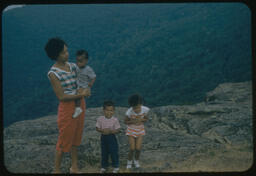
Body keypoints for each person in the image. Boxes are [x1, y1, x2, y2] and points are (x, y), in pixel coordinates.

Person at [45, 37, 90, 174]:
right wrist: (80, 94)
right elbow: (62, 96)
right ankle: (56, 170)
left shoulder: (73, 66)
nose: (67, 54)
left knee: (77, 135)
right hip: (67, 107)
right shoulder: (53, 73)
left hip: (80, 103)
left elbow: (82, 81)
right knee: (65, 138)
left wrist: (85, 89)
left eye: (67, 50)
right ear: (56, 55)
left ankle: (74, 167)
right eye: (64, 52)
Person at [124, 94, 150, 169]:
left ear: (141, 104)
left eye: (138, 107)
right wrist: (132, 121)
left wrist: (141, 120)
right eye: (134, 108)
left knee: (138, 148)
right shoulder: (129, 112)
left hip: (140, 130)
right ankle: (129, 162)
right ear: (131, 106)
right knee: (132, 148)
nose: (137, 110)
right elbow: (125, 121)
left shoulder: (145, 109)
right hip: (131, 130)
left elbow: (146, 119)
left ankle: (136, 161)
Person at [96, 101, 121, 173]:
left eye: (111, 110)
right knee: (104, 152)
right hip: (103, 137)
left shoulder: (115, 120)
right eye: (107, 110)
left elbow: (118, 130)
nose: (109, 112)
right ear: (103, 110)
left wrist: (110, 131)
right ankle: (104, 166)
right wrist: (102, 130)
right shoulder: (100, 119)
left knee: (113, 152)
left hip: (112, 137)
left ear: (114, 111)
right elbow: (97, 128)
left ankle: (116, 166)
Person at [72, 49, 96, 118]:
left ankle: (78, 109)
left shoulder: (88, 69)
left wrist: (91, 83)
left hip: (85, 87)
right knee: (74, 94)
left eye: (81, 61)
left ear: (86, 61)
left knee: (78, 95)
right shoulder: (76, 67)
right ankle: (77, 107)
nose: (78, 63)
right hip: (78, 86)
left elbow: (93, 77)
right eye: (77, 61)